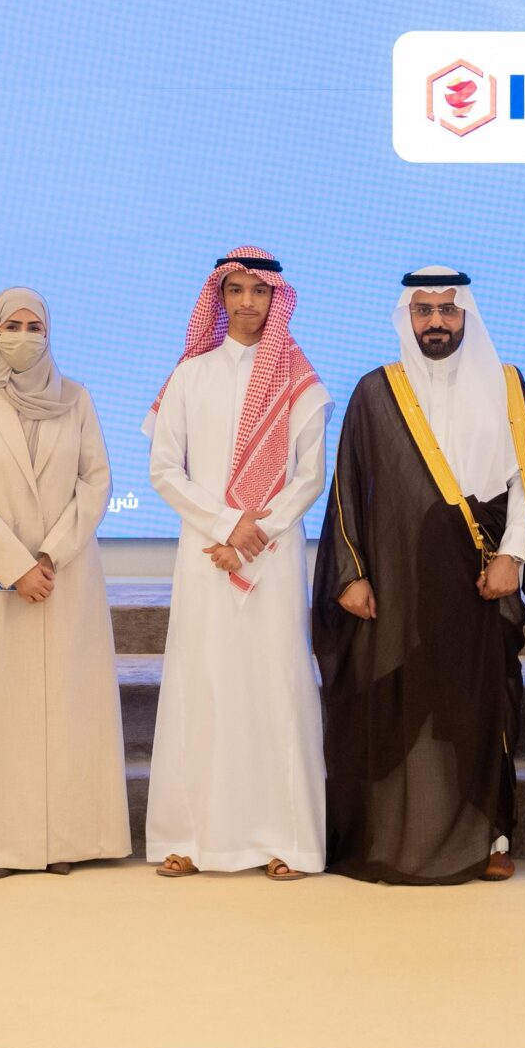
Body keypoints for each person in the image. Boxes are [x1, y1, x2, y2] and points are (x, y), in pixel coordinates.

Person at [312, 267, 525, 885]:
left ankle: (490, 837)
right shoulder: (376, 390)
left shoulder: (506, 383)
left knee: (482, 704)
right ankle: (389, 833)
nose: (436, 321)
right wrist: (351, 575)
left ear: (466, 315)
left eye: (447, 309)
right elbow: (346, 491)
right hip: (398, 581)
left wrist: (512, 556)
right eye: (424, 310)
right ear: (407, 317)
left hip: (480, 578)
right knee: (398, 704)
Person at [0, 288, 130, 876]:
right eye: (11, 326)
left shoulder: (76, 398)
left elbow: (96, 481)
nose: (23, 336)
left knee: (68, 707)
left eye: (33, 326)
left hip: (66, 574)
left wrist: (49, 554)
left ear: (49, 332)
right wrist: (16, 566)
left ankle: (67, 840)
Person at [145, 249, 332, 880]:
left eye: (258, 290)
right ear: (219, 298)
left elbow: (310, 477)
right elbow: (163, 470)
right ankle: (191, 838)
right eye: (235, 290)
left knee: (273, 686)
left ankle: (287, 840)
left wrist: (255, 534)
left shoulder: (300, 380)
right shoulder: (190, 375)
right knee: (202, 683)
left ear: (276, 297)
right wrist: (228, 525)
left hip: (271, 558)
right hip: (205, 553)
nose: (247, 301)